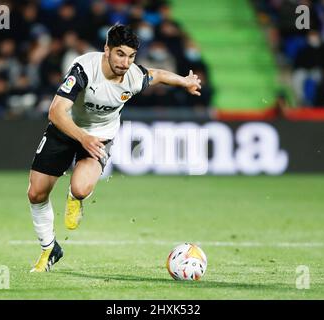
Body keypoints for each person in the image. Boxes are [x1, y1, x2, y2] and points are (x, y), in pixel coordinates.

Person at [27, 24, 202, 272]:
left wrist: (184, 81)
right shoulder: (84, 69)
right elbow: (55, 111)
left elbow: (158, 74)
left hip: (100, 137)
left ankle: (74, 198)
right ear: (106, 50)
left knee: (80, 187)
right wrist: (82, 137)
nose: (125, 62)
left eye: (131, 56)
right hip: (66, 129)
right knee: (36, 194)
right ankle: (49, 248)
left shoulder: (133, 77)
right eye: (120, 54)